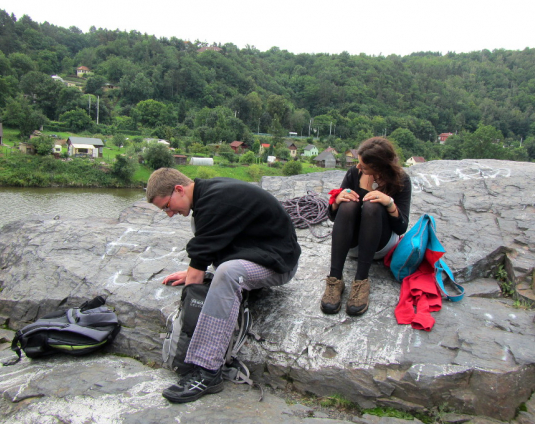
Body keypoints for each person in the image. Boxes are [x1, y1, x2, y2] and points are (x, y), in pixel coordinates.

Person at [146, 168, 300, 403]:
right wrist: (195, 271)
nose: (169, 214)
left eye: (166, 206)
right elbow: (206, 243)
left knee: (228, 274)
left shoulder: (214, 201)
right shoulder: (206, 196)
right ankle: (222, 281)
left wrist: (193, 292)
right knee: (209, 248)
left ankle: (208, 371)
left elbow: (198, 272)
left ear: (179, 189)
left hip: (277, 263)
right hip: (254, 251)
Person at [321, 137, 411, 316]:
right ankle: (335, 279)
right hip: (352, 246)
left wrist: (390, 204)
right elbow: (332, 217)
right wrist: (337, 202)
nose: (358, 167)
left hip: (380, 245)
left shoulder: (401, 180)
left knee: (373, 205)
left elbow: (401, 228)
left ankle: (361, 280)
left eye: (364, 166)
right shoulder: (354, 173)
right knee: (348, 203)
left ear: (379, 168)